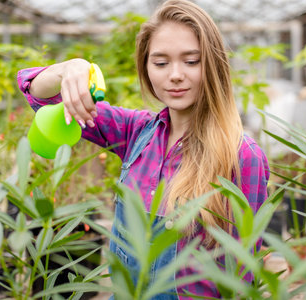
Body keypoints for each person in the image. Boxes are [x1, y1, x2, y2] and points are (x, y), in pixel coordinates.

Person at [18, 0, 269, 298]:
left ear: (214, 65)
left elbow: (242, 273)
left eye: (191, 61)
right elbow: (42, 100)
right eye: (161, 63)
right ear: (146, 67)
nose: (175, 75)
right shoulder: (136, 131)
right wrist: (68, 69)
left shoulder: (241, 156)